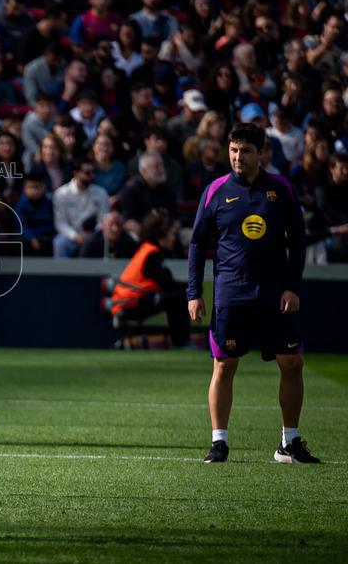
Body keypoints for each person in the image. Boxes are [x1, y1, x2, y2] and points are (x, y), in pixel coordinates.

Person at [188, 123, 318, 464]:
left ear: (262, 153)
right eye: (233, 150)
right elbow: (197, 242)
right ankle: (219, 442)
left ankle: (289, 443)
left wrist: (293, 286)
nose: (237, 157)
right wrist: (193, 292)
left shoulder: (281, 189)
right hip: (231, 294)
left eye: (245, 150)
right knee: (224, 365)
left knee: (292, 363)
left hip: (275, 294)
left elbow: (298, 241)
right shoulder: (216, 190)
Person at [110, 209, 188, 346]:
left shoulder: (148, 249)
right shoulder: (152, 254)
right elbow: (166, 283)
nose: (174, 238)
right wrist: (191, 289)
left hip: (131, 301)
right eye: (171, 233)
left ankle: (180, 341)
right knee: (179, 296)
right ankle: (181, 342)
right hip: (129, 304)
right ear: (161, 234)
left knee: (178, 294)